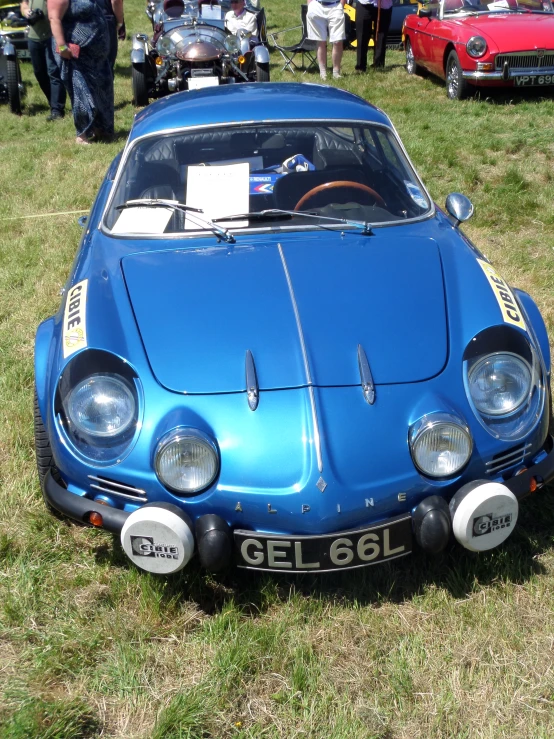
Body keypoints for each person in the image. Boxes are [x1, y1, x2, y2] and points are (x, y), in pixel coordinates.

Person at [48, 0, 114, 144]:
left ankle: (101, 129)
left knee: (102, 88)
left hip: (97, 55)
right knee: (81, 90)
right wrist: (63, 47)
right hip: (75, 53)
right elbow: (54, 17)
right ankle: (82, 135)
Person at [20, 0, 66, 120]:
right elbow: (23, 4)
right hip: (33, 38)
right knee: (39, 73)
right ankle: (53, 103)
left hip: (50, 36)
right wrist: (27, 12)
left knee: (53, 72)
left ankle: (57, 110)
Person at [306, 0, 346, 80]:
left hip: (335, 6)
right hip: (317, 6)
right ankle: (323, 72)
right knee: (321, 41)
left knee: (338, 41)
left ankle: (336, 73)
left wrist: (341, 4)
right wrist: (310, 4)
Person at [354, 0, 392, 72]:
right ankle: (360, 66)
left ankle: (378, 65)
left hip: (384, 5)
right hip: (365, 4)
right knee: (362, 35)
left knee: (381, 36)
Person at [98, 0, 125, 74]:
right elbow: (116, 1)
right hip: (105, 18)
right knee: (106, 62)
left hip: (83, 21)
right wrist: (120, 21)